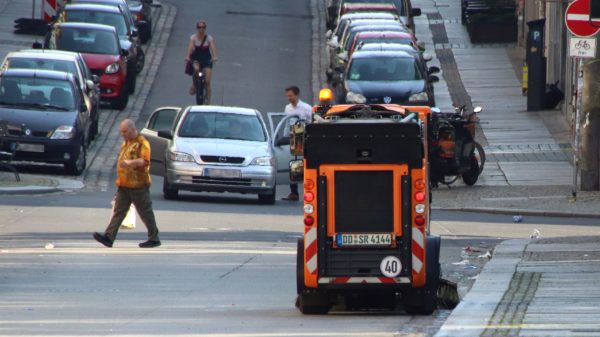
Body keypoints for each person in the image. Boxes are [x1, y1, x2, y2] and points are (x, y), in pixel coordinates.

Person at [93, 119, 161, 248]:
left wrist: (130, 163)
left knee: (145, 212)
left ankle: (154, 238)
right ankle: (109, 237)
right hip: (124, 185)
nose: (122, 134)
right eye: (121, 132)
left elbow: (145, 161)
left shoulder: (142, 142)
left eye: (125, 131)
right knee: (119, 212)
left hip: (138, 185)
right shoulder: (126, 142)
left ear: (132, 129)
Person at [283, 86, 312, 201]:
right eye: (288, 96)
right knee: (293, 164)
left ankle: (308, 191)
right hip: (293, 137)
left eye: (291, 96)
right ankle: (294, 193)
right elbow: (287, 123)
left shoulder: (306, 108)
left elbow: (312, 122)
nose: (289, 98)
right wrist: (284, 137)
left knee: (304, 165)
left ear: (296, 95)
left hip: (303, 138)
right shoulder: (287, 108)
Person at [185, 20, 218, 104]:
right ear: (197, 28)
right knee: (196, 69)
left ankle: (208, 100)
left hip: (207, 60)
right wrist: (188, 57)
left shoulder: (209, 38)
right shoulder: (193, 38)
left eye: (203, 27)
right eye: (199, 27)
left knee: (207, 82)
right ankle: (195, 85)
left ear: (205, 28)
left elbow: (213, 48)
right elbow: (190, 48)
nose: (201, 29)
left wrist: (214, 57)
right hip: (196, 60)